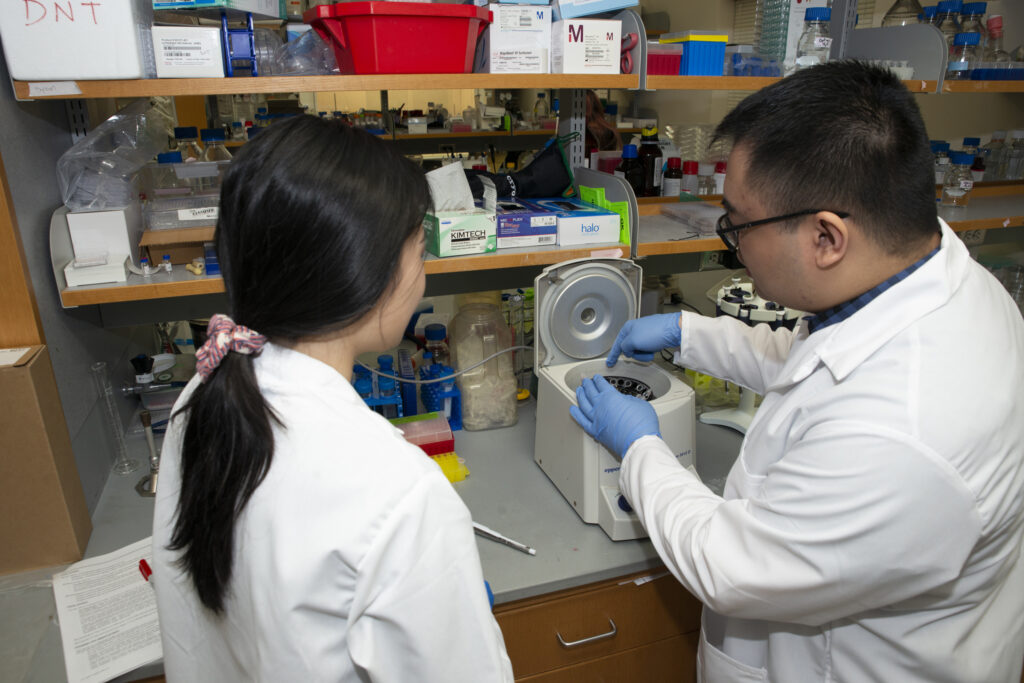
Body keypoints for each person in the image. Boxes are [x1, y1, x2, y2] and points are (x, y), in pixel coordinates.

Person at [571, 61, 1024, 682]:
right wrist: (690, 333)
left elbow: (728, 565)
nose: (729, 239)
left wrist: (643, 448)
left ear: (827, 238)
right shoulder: (935, 271)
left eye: (738, 223)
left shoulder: (902, 434)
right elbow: (818, 363)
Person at [151, 115, 513, 682]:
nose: (424, 276)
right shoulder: (398, 492)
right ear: (364, 274)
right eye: (421, 251)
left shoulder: (206, 389)